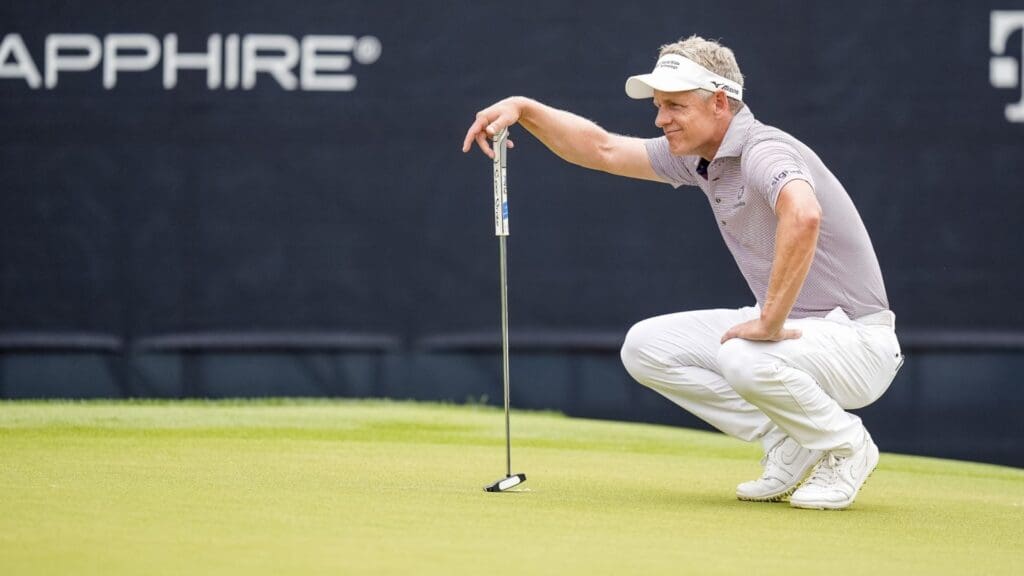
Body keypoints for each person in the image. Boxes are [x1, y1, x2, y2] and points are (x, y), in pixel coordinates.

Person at [462, 35, 902, 510]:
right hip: (801, 340)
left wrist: (770, 320)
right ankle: (793, 438)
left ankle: (846, 447)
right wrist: (525, 109)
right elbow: (603, 149)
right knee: (647, 348)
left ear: (719, 103)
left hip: (858, 341)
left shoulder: (763, 149)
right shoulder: (698, 157)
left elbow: (804, 214)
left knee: (743, 356)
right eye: (658, 105)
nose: (660, 118)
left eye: (674, 105)